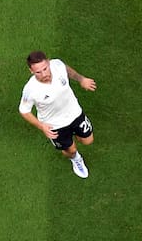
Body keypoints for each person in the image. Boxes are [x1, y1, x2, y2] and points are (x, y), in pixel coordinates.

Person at [18, 51, 97, 179]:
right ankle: (76, 159)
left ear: (49, 63)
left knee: (88, 140)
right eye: (38, 72)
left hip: (75, 113)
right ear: (31, 71)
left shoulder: (57, 65)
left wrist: (81, 79)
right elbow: (24, 110)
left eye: (45, 68)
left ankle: (75, 135)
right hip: (54, 125)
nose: (44, 74)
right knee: (70, 150)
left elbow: (67, 70)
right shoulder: (30, 90)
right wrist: (41, 126)